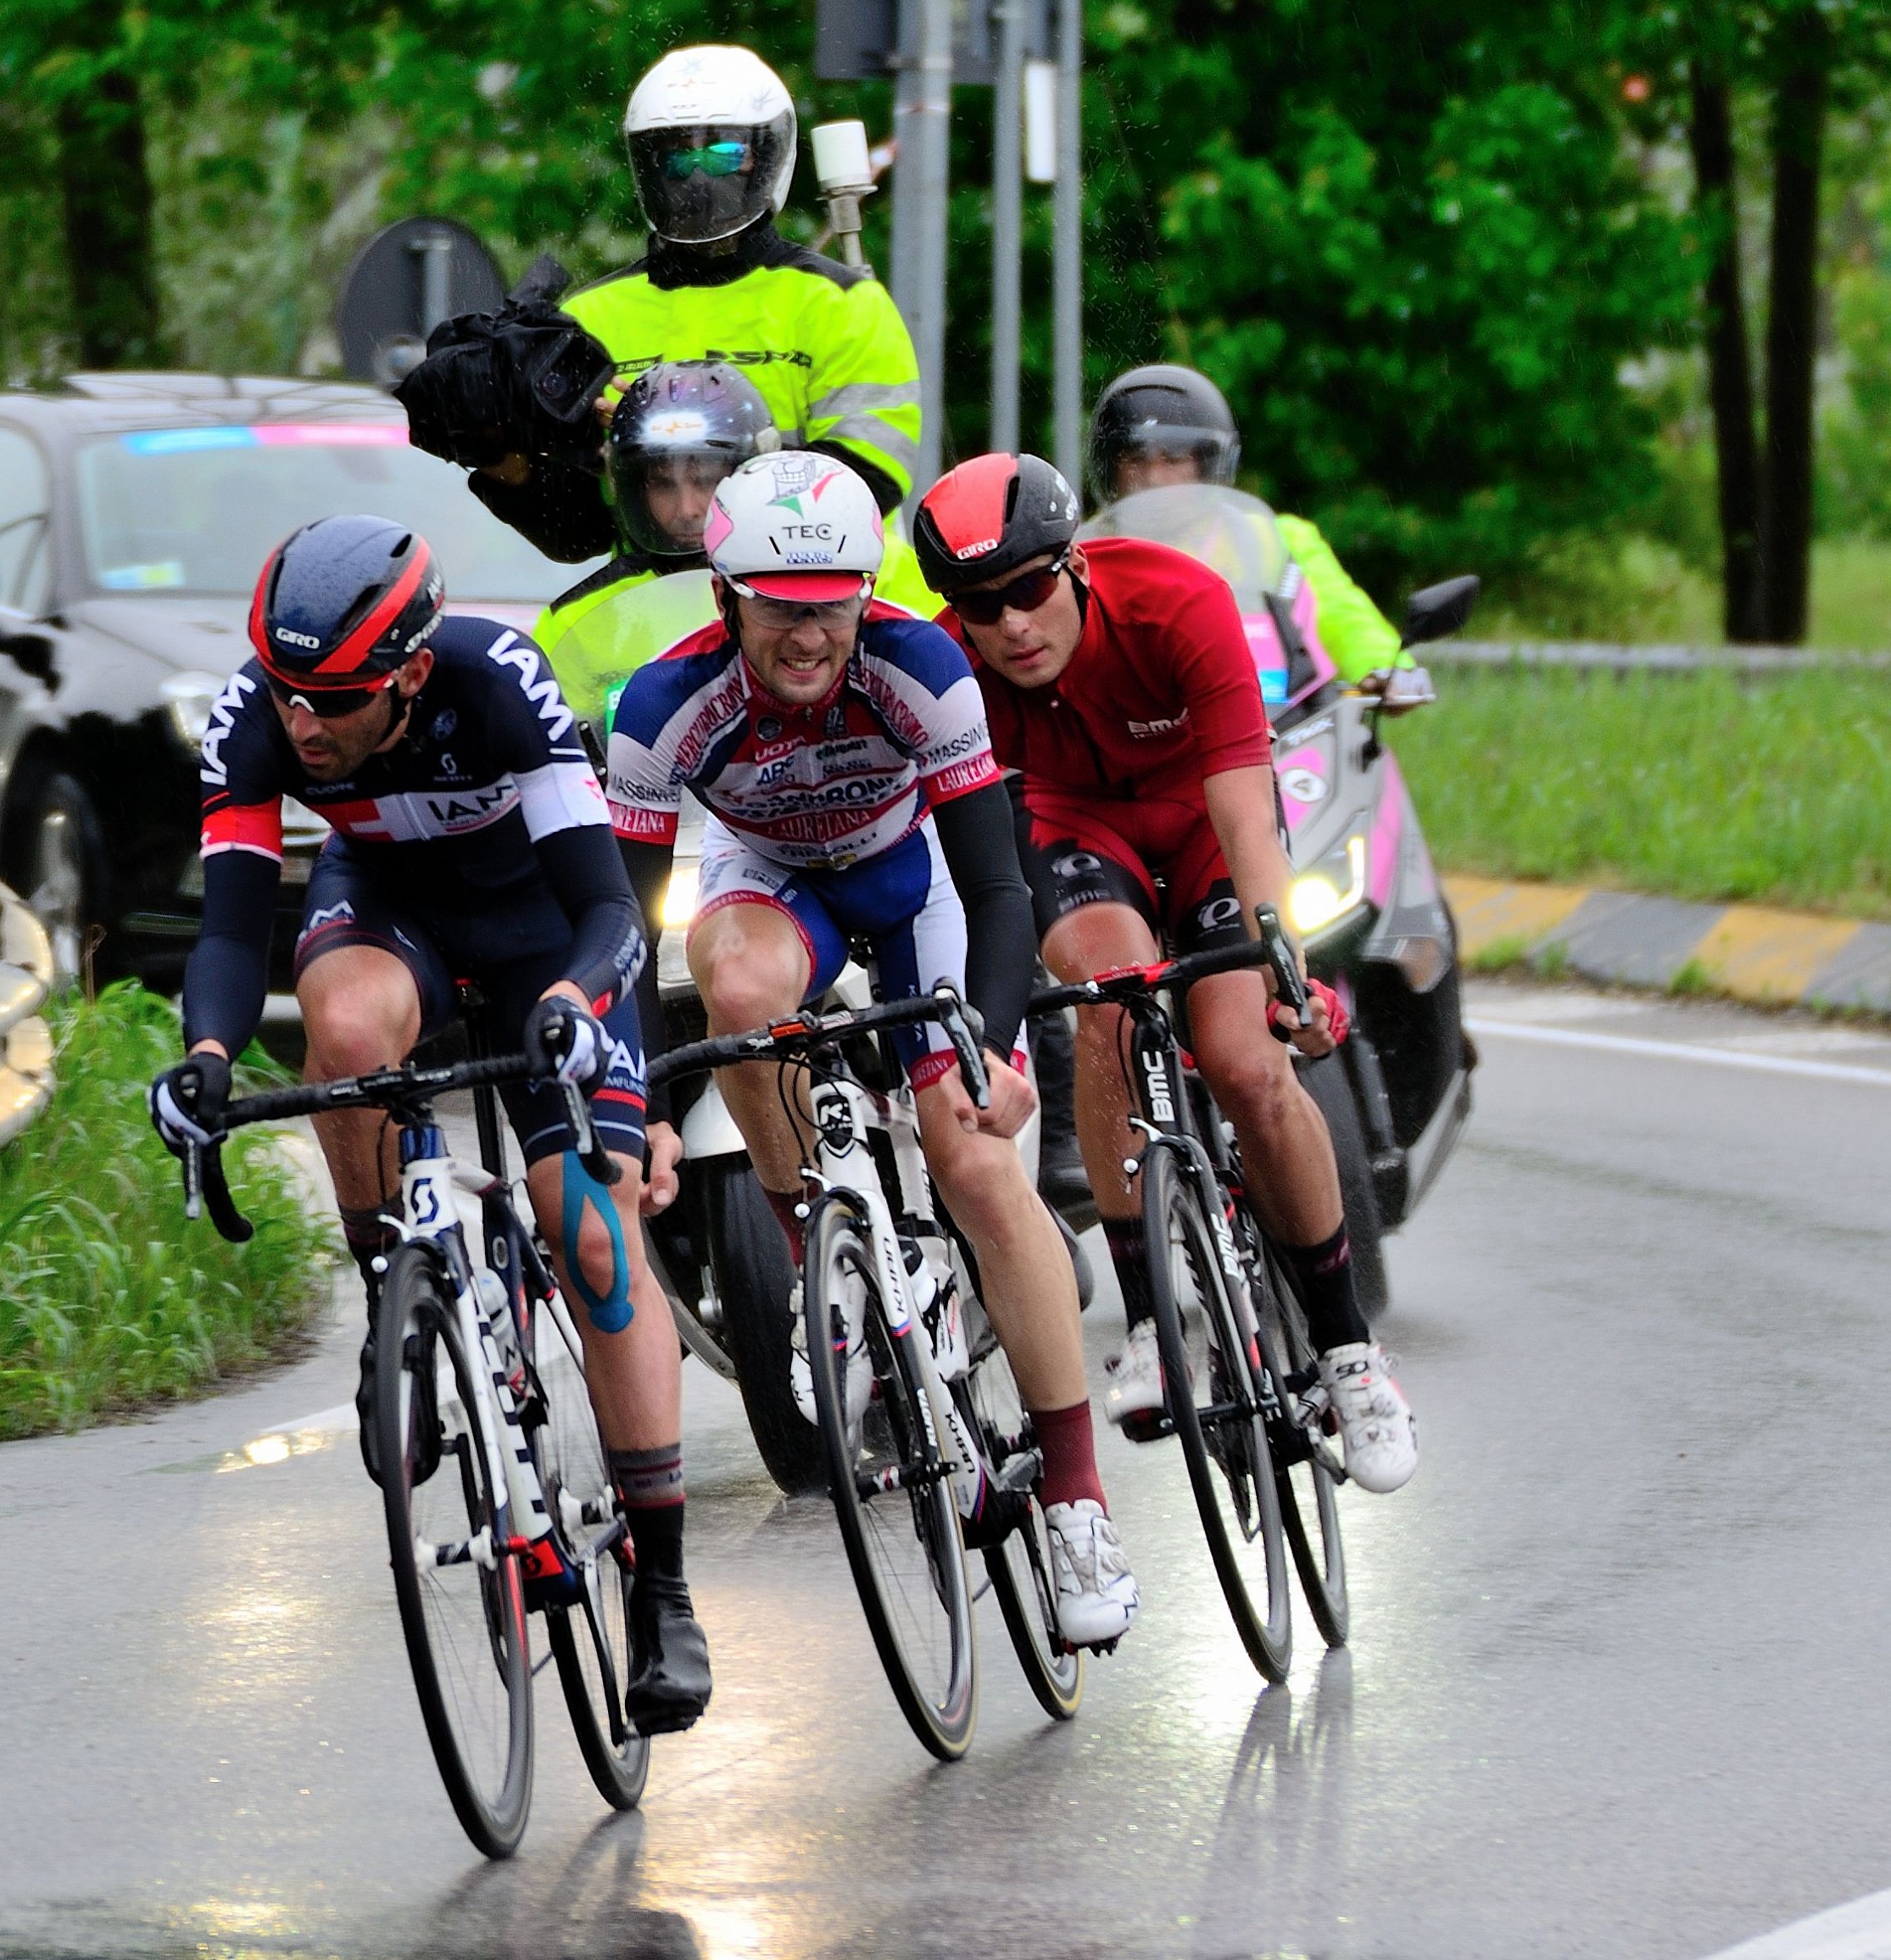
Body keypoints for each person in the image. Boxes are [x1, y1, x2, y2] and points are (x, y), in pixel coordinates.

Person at [145, 513, 712, 1734]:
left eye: (335, 697)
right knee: (341, 1032)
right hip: (389, 910)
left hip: (541, 934)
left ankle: (661, 1587)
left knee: (596, 1237)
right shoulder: (257, 715)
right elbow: (237, 931)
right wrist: (201, 1055)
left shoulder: (495, 683)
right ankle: (391, 1295)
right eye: (288, 690)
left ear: (406, 672)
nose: (303, 722)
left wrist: (571, 1001)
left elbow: (611, 905)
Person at [605, 450, 1141, 1647]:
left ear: (867, 593)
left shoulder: (922, 662)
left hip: (918, 884)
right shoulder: (658, 705)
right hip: (770, 879)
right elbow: (623, 936)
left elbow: (998, 885)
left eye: (834, 604)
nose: (810, 636)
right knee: (729, 978)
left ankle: (1077, 1504)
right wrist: (636, 1098)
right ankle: (819, 1268)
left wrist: (993, 1049)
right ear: (725, 596)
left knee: (977, 1157)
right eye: (781, 609)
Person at [914, 454, 1418, 1494]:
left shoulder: (1177, 602)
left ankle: (1350, 1352)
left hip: (1203, 823)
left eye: (1030, 588)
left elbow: (1244, 806)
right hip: (1078, 830)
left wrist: (1284, 962)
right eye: (979, 605)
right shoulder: (951, 671)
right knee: (1110, 1005)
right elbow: (959, 855)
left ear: (1076, 569)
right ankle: (1150, 1325)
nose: (1010, 624)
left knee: (1243, 1062)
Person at [470, 44, 939, 615]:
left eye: (723, 155)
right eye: (675, 159)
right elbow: (578, 535)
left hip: (842, 611)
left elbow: (869, 481)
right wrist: (498, 453)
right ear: (646, 168)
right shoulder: (589, 319)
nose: (698, 177)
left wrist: (666, 447)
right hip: (656, 622)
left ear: (767, 157)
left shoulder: (843, 303)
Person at [1087, 364, 1431, 707]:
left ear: (1208, 464)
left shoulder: (1271, 539)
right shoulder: (1081, 552)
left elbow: (1345, 616)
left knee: (1365, 759)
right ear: (1109, 467)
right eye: (1135, 459)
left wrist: (1385, 667)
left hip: (1279, 734)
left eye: (1174, 459)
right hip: (1131, 741)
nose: (1154, 478)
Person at [533, 361, 779, 736]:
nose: (687, 509)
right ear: (632, 487)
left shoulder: (824, 578)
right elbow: (551, 749)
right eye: (664, 485)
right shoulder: (579, 618)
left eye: (705, 481)